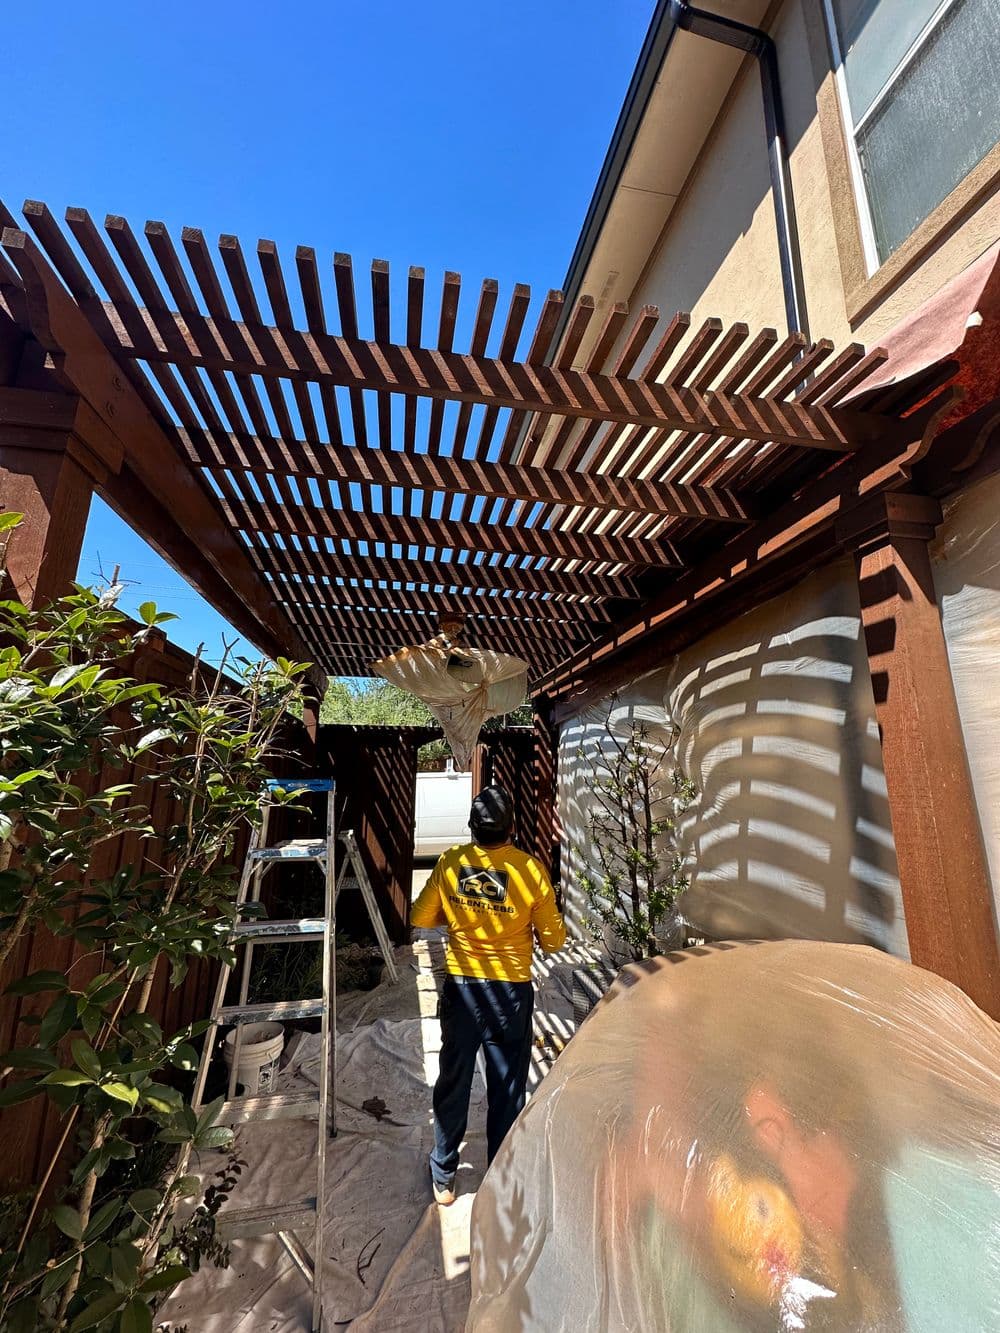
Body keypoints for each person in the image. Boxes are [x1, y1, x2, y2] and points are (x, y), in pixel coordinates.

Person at [411, 783, 566, 1205]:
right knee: (507, 1085)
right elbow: (553, 942)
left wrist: (461, 914)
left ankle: (444, 1175)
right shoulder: (530, 871)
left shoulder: (450, 863)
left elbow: (420, 916)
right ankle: (499, 1175)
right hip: (510, 995)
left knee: (454, 1078)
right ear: (511, 828)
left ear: (471, 827)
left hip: (462, 991)